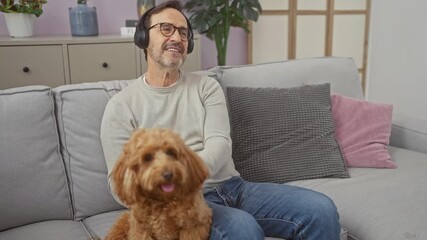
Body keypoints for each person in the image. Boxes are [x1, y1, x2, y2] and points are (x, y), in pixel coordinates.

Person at [100, 1, 342, 239]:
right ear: (143, 37)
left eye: (183, 32)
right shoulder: (121, 107)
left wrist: (184, 171)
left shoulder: (206, 86)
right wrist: (170, 191)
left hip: (234, 186)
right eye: (166, 29)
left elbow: (220, 145)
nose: (176, 38)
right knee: (243, 229)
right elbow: (118, 183)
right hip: (183, 204)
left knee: (322, 209)